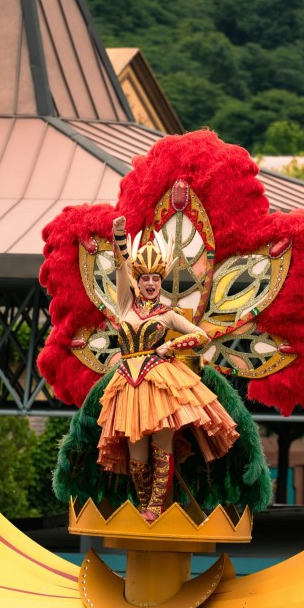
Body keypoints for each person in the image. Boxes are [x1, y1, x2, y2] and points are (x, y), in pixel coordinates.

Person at [95, 215, 239, 522]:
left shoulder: (167, 314)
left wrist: (170, 346)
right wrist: (119, 236)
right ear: (138, 280)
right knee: (136, 456)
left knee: (161, 446)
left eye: (155, 279)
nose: (149, 283)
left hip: (159, 382)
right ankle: (144, 502)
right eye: (145, 278)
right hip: (128, 384)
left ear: (162, 283)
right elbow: (120, 266)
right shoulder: (124, 305)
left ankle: (154, 507)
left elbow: (200, 335)